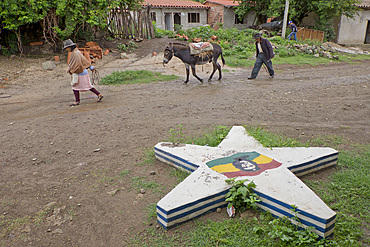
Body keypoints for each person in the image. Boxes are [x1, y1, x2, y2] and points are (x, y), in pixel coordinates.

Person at [63, 39, 103, 106]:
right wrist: (90, 67)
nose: (66, 49)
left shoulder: (75, 53)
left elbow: (78, 64)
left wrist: (72, 70)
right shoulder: (76, 52)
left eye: (67, 48)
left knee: (75, 87)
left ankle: (77, 101)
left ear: (70, 47)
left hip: (80, 72)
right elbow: (84, 60)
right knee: (88, 86)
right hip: (82, 72)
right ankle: (99, 94)